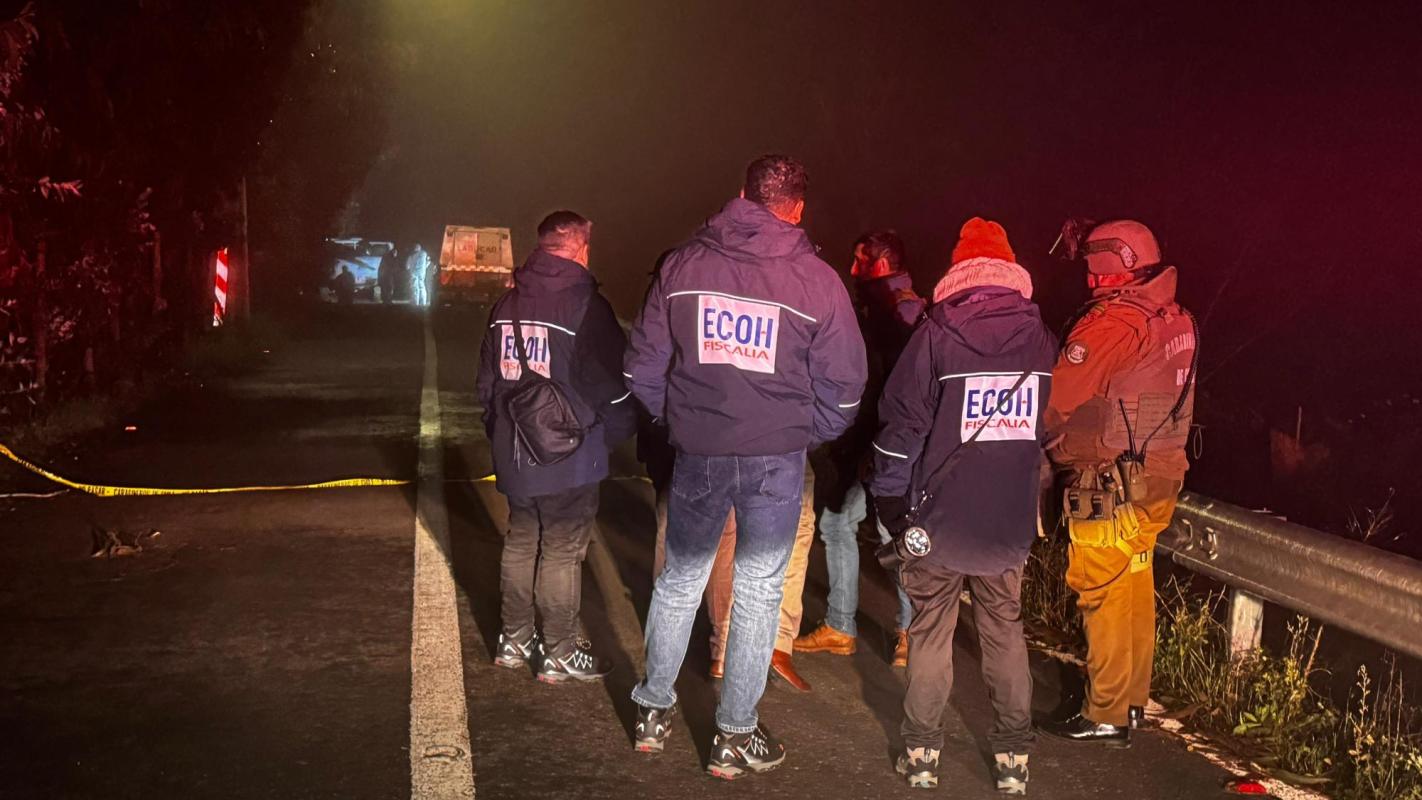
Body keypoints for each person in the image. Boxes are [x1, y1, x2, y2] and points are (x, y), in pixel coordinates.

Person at [624, 155, 867, 779]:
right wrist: (802, 433)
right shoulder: (818, 281)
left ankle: (652, 708)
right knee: (759, 591)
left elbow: (642, 367)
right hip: (775, 462)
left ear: (741, 194)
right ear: (798, 209)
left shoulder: (684, 264)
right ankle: (734, 734)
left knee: (681, 578)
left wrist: (681, 420)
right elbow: (845, 388)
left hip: (700, 452)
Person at [871, 218, 1055, 793]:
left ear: (960, 270)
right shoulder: (1041, 338)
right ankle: (1014, 758)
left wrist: (889, 496)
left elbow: (902, 425)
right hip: (1006, 521)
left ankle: (922, 752)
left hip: (939, 518)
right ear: (1010, 269)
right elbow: (1051, 426)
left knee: (930, 631)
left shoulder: (937, 333)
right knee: (1005, 631)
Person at [1041, 219, 1197, 746]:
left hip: (1106, 484)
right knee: (1133, 586)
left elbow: (1056, 399)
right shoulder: (1175, 318)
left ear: (1109, 266)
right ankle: (1131, 702)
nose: (1087, 277)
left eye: (1091, 266)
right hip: (1158, 479)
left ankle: (1104, 710)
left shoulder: (1112, 323)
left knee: (1101, 590)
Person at [475, 210, 635, 683]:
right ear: (580, 249)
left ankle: (514, 639)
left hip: (515, 447)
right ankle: (559, 649)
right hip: (570, 451)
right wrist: (611, 435)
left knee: (521, 540)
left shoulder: (506, 303)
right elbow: (614, 388)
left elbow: (486, 383)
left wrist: (500, 433)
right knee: (562, 551)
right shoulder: (586, 306)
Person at [794, 230, 924, 670]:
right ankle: (842, 626)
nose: (852, 270)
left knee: (891, 534)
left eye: (859, 261)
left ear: (881, 264)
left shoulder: (904, 312)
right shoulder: (887, 309)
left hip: (885, 444)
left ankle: (907, 633)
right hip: (863, 442)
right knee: (839, 525)